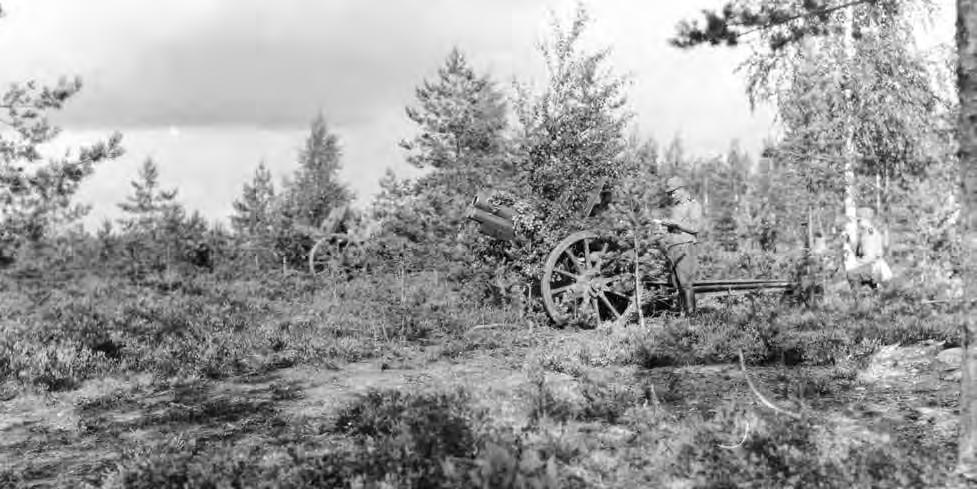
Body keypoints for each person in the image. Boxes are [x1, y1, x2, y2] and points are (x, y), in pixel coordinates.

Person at [654, 176, 703, 316]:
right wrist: (664, 225)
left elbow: (696, 227)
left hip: (686, 247)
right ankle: (683, 315)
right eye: (669, 193)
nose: (671, 195)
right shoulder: (676, 207)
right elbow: (675, 227)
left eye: (673, 192)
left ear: (681, 189)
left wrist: (675, 224)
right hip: (673, 248)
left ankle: (691, 317)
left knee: (686, 283)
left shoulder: (694, 205)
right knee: (677, 284)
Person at [846, 206, 892, 290]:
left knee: (851, 274)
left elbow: (869, 257)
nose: (857, 223)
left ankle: (857, 299)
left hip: (872, 267)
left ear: (866, 220)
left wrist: (857, 263)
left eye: (859, 220)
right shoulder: (870, 232)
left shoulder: (869, 234)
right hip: (872, 266)